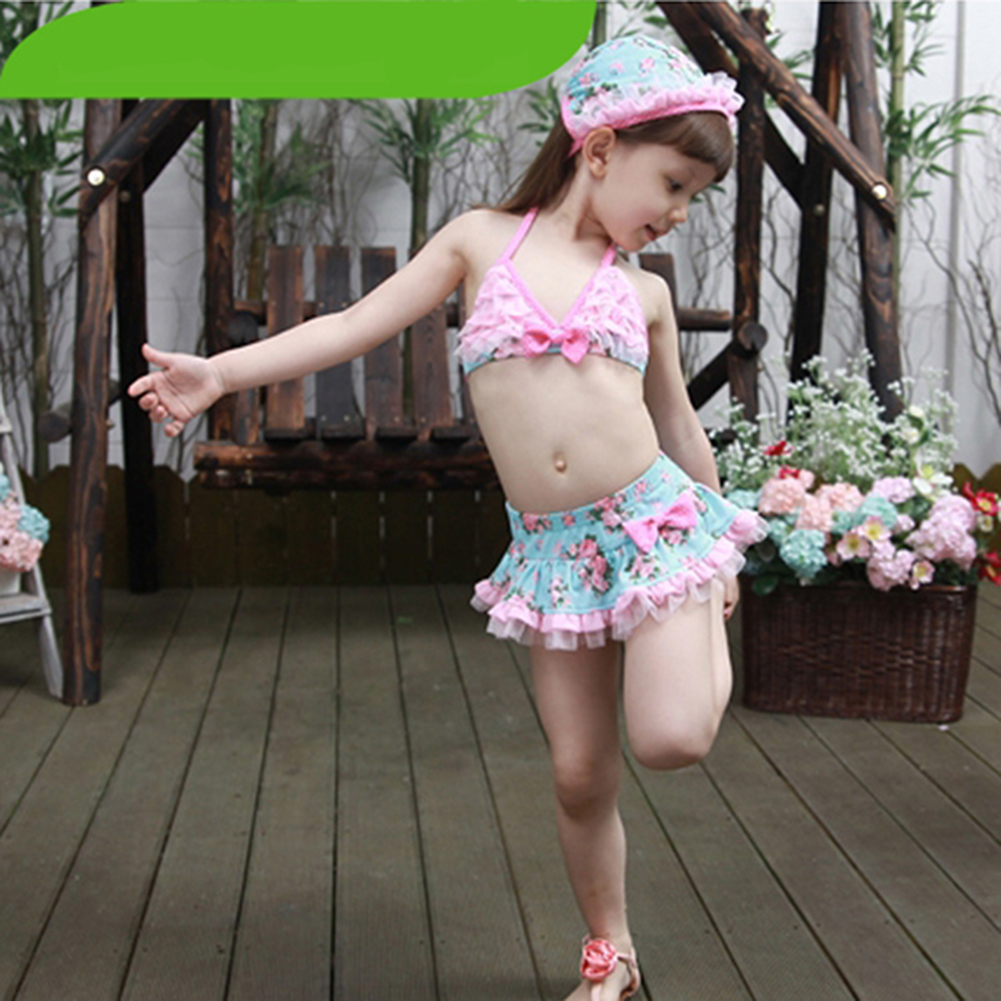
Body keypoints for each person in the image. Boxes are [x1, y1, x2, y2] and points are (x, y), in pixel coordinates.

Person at [129, 34, 768, 1001]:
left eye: (692, 197)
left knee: (670, 738)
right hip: (555, 552)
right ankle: (612, 954)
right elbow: (352, 326)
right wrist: (219, 373)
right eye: (673, 184)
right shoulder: (481, 243)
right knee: (578, 772)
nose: (676, 212)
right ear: (599, 149)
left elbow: (677, 424)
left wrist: (719, 548)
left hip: (657, 527)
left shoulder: (643, 292)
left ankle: (701, 624)